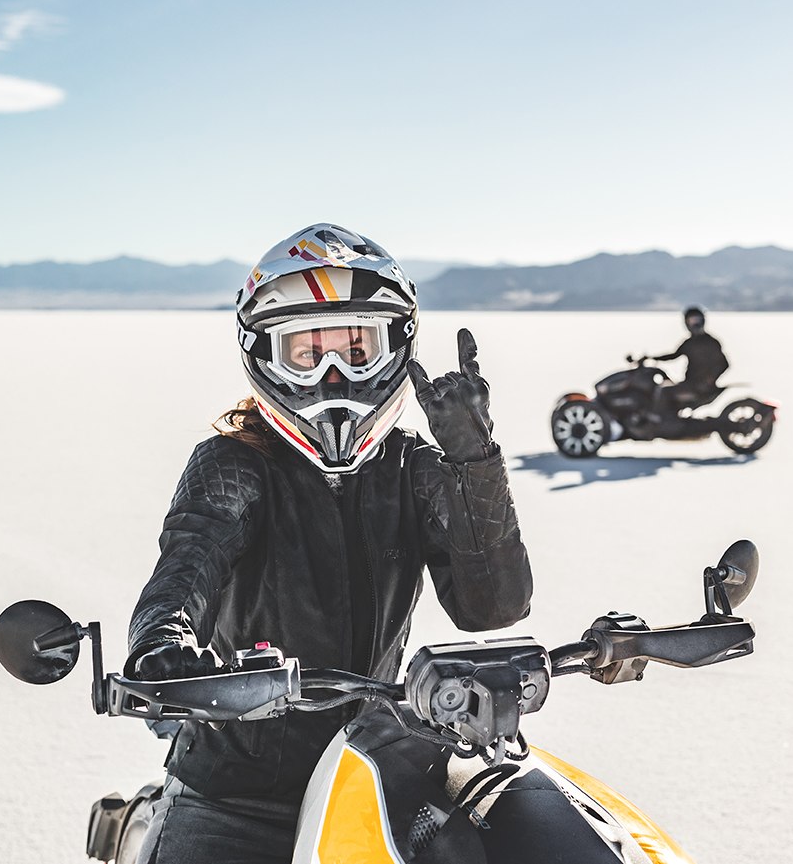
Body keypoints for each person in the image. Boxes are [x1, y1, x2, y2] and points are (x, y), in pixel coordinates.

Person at [127, 224, 533, 864]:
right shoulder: (235, 464)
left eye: (356, 346)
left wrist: (474, 462)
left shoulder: (413, 469)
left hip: (372, 769)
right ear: (265, 356)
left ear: (395, 349)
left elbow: (493, 609)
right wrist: (161, 646)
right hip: (236, 791)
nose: (334, 372)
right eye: (306, 351)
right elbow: (187, 563)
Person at [647, 306, 730, 412]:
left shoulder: (711, 342)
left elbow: (724, 364)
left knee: (664, 392)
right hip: (690, 383)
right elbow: (674, 355)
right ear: (687, 323)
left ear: (703, 321)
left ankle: (664, 421)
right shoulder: (689, 343)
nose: (695, 323)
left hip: (699, 387)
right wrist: (653, 358)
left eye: (697, 320)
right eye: (692, 320)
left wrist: (710, 379)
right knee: (662, 387)